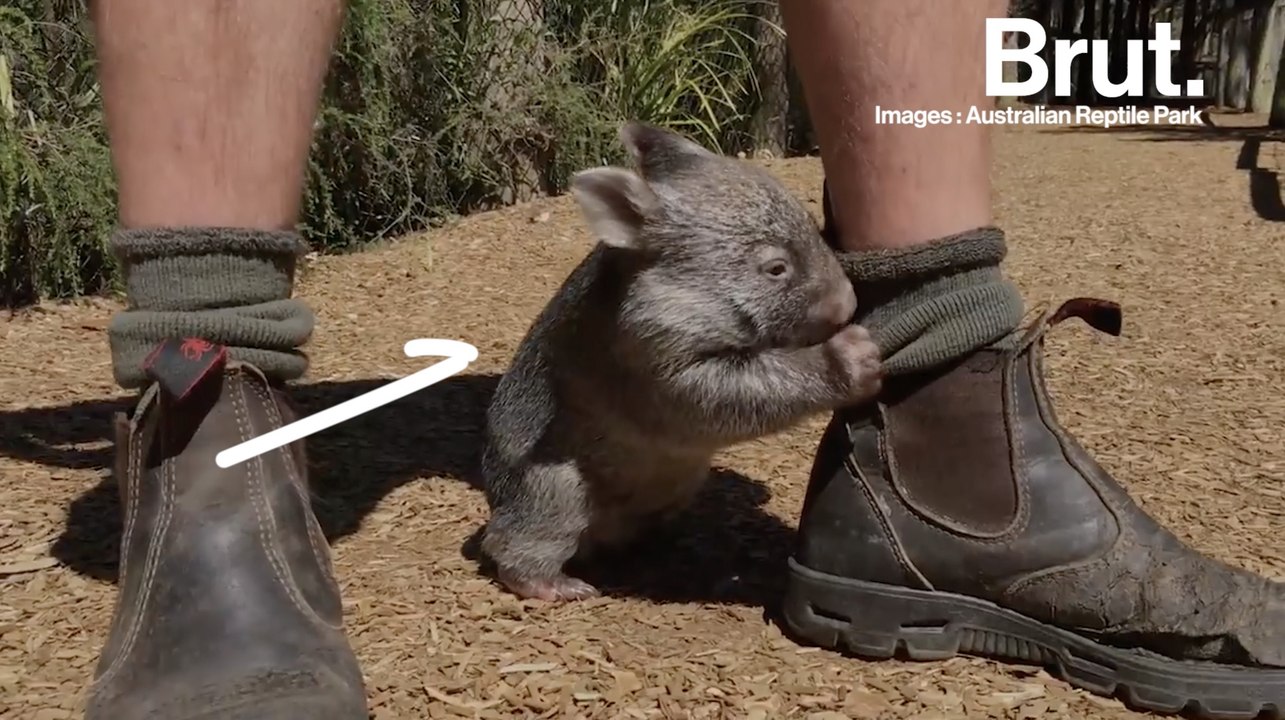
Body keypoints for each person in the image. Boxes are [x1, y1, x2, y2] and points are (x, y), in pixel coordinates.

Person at [84, 0, 1285, 718]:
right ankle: (214, 386)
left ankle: (944, 384)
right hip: (584, 460)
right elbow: (691, 393)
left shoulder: (704, 263)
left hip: (657, 431)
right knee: (568, 487)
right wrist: (817, 379)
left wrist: (837, 324)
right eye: (778, 270)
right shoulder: (653, 321)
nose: (819, 283)